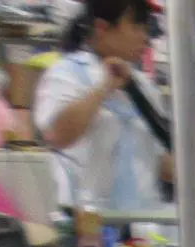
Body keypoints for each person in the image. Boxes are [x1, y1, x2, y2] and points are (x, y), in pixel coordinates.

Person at [34, 0, 167, 212]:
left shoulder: (145, 87)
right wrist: (104, 88)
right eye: (136, 26)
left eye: (146, 27)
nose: (145, 37)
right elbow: (57, 136)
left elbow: (161, 162)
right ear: (101, 28)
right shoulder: (66, 74)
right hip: (86, 219)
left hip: (146, 221)